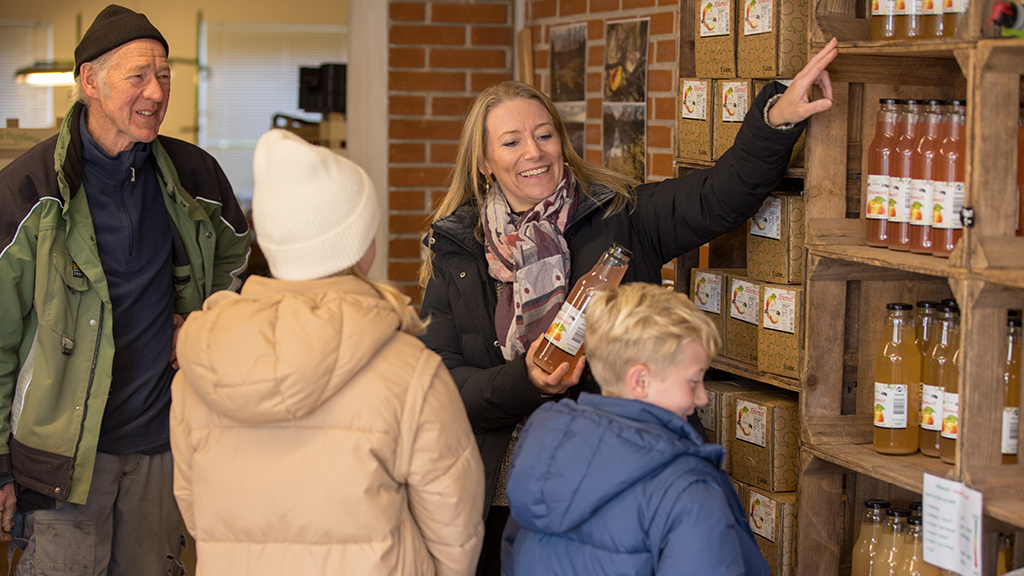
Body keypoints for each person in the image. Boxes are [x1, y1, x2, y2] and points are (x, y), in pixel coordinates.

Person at [418, 37, 839, 574]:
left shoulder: (620, 215)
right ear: (483, 161)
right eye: (512, 141)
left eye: (545, 134)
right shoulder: (458, 251)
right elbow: (442, 385)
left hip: (613, 487)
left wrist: (775, 116)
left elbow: (720, 195)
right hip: (498, 498)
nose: (534, 151)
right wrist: (528, 381)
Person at [0, 4, 250, 573]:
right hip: (59, 465)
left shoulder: (196, 175)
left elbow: (237, 261)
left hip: (161, 450)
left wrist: (205, 319)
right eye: (138, 76)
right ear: (89, 81)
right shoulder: (26, 194)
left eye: (164, 76)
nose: (156, 92)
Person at [169, 129, 485, 575]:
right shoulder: (411, 371)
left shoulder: (201, 365)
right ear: (362, 246)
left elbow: (195, 511)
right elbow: (454, 529)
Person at [501, 282, 767, 576]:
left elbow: (515, 555)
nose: (702, 397)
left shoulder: (544, 456)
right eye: (693, 381)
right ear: (640, 381)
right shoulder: (688, 489)